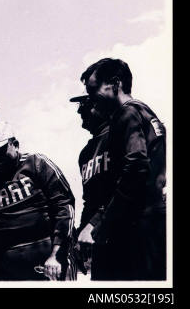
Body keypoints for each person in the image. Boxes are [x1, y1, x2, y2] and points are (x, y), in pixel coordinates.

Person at [83, 58, 166, 280]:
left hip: (138, 226)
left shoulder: (126, 114)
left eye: (93, 90)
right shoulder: (144, 111)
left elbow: (136, 167)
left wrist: (104, 223)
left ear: (115, 83)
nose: (90, 100)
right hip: (155, 223)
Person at [0, 122, 77, 281]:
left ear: (16, 145)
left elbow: (64, 206)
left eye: (0, 151)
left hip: (50, 261)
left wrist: (56, 255)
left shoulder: (37, 164)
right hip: (8, 270)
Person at [69, 92, 114, 280]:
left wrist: (93, 225)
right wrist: (81, 235)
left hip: (126, 232)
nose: (80, 111)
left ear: (100, 106)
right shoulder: (86, 153)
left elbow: (123, 188)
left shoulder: (118, 137)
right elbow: (89, 200)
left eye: (85, 106)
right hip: (99, 241)